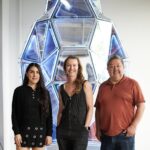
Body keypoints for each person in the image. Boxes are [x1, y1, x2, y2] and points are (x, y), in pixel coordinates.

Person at [95, 55, 145, 150]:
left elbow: (141, 106)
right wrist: (97, 129)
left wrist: (133, 126)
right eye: (111, 66)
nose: (115, 69)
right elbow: (98, 109)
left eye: (118, 66)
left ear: (123, 67)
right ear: (107, 69)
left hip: (125, 135)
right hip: (106, 136)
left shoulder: (133, 84)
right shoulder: (102, 87)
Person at [11, 63, 53, 150]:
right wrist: (16, 133)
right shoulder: (18, 91)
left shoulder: (45, 92)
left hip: (40, 132)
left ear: (40, 75)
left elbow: (49, 115)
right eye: (32, 72)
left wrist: (49, 134)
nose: (35, 75)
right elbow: (14, 114)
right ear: (27, 73)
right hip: (22, 132)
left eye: (37, 72)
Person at [57, 55, 93, 150]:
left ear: (78, 67)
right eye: (68, 65)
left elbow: (90, 108)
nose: (71, 68)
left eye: (74, 65)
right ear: (65, 68)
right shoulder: (61, 88)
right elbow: (61, 110)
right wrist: (58, 128)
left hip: (80, 132)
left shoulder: (85, 85)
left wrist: (85, 128)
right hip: (63, 131)